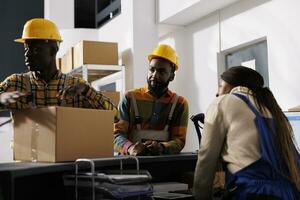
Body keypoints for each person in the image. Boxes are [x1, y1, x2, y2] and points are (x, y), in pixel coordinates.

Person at [193, 66, 300, 200]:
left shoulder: (223, 101)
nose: (216, 92)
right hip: (290, 193)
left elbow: (206, 160)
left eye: (220, 86)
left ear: (230, 85)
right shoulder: (273, 110)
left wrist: (200, 196)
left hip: (253, 194)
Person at [0, 18, 116, 112]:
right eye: (26, 48)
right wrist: (1, 98)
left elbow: (114, 114)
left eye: (35, 49)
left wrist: (87, 90)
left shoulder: (76, 87)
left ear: (53, 50)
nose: (27, 54)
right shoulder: (15, 83)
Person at [114, 44, 189, 156]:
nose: (154, 75)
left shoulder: (180, 103)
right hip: (131, 166)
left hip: (163, 166)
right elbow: (116, 136)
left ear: (172, 76)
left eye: (161, 71)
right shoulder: (129, 98)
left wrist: (162, 147)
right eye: (152, 69)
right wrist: (130, 148)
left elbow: (179, 141)